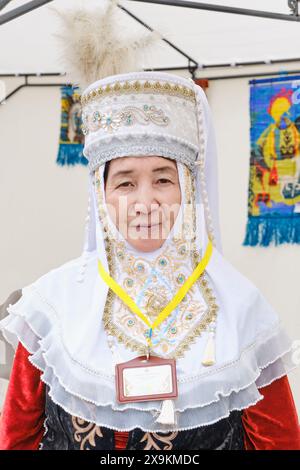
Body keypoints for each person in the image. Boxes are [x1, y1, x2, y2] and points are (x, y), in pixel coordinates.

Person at [0, 69, 299, 450]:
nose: (145, 202)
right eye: (125, 182)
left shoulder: (241, 307)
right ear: (100, 194)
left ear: (188, 188)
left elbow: (279, 441)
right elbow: (17, 438)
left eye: (163, 179)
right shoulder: (51, 305)